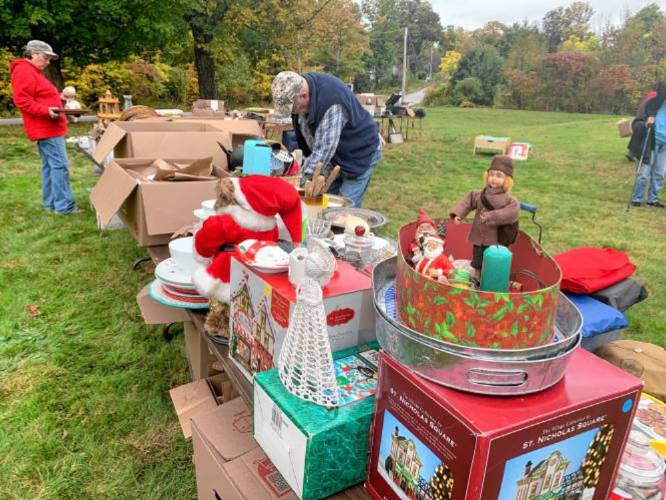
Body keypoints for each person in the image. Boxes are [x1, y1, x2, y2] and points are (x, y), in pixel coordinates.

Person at [270, 71, 381, 208]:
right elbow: (309, 139)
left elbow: (323, 152)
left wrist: (297, 182)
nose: (293, 113)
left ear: (304, 96)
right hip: (334, 157)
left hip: (359, 152)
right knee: (322, 205)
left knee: (343, 208)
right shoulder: (297, 87)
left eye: (293, 108)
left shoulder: (332, 102)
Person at [9, 40, 79, 214]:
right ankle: (64, 207)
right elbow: (22, 100)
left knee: (50, 167)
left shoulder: (34, 71)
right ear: (33, 54)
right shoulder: (24, 71)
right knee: (60, 166)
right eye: (45, 57)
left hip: (48, 127)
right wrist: (46, 111)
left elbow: (43, 95)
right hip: (45, 127)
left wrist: (60, 98)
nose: (48, 62)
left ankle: (51, 204)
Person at [449, 155, 520, 280]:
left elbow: (512, 213)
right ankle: (477, 278)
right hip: (479, 238)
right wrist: (458, 214)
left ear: (507, 179)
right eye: (491, 174)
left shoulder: (509, 200)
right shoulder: (479, 194)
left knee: (493, 263)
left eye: (499, 175)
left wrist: (491, 216)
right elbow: (468, 201)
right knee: (477, 260)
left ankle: (490, 281)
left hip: (496, 240)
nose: (493, 179)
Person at [630, 81, 666, 208]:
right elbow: (635, 124)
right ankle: (637, 198)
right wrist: (646, 123)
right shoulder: (651, 105)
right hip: (650, 144)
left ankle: (652, 200)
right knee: (644, 174)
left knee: (659, 175)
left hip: (664, 146)